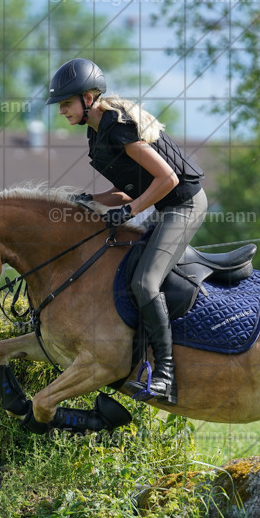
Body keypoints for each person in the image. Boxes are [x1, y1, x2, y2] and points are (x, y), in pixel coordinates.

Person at [46, 58, 208, 405]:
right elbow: (129, 190)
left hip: (184, 205)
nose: (61, 111)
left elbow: (168, 179)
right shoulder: (97, 132)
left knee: (144, 282)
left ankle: (165, 375)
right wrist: (87, 200)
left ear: (89, 98)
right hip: (163, 206)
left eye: (65, 103)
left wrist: (130, 211)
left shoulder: (117, 127)